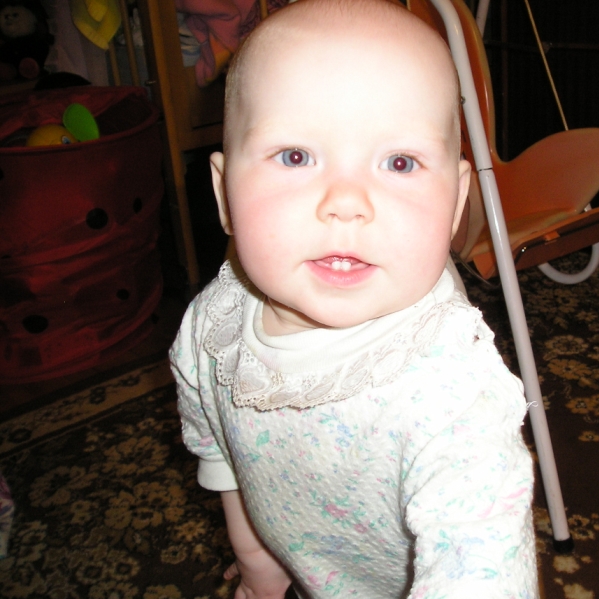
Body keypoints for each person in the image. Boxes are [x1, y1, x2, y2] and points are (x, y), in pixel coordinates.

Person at [169, 0, 538, 597]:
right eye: (295, 156)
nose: (346, 201)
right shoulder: (212, 324)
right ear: (223, 194)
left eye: (399, 162)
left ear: (455, 205)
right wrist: (257, 562)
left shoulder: (452, 395)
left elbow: (483, 568)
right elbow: (215, 440)